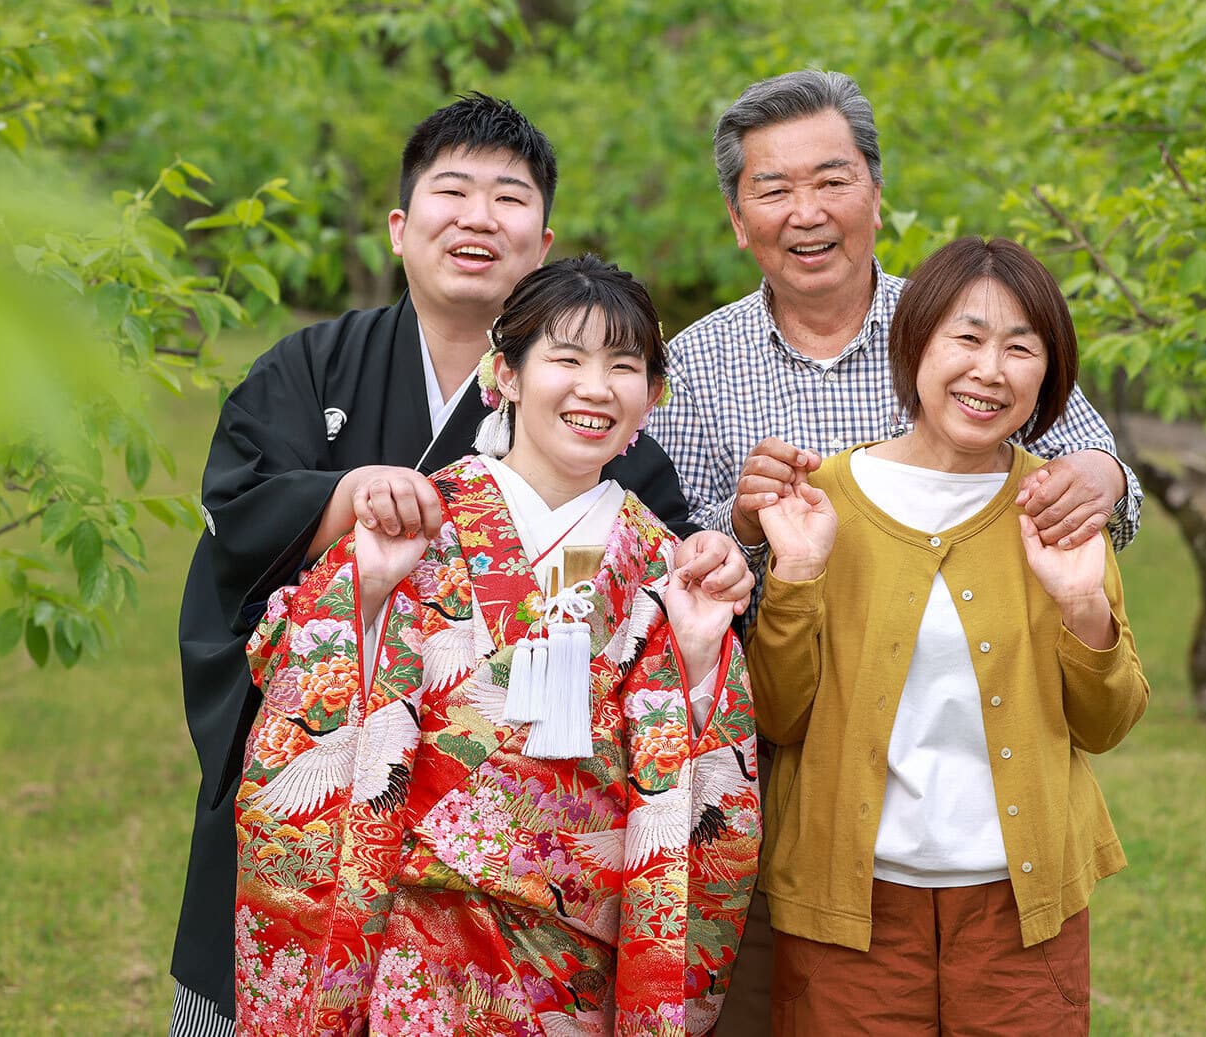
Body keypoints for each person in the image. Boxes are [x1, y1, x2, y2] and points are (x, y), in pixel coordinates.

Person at [171, 95, 752, 1036]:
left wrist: (702, 632)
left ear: (544, 236)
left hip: (573, 934)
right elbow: (241, 540)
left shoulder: (629, 484)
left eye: (509, 198)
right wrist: (354, 535)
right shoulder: (308, 367)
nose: (480, 217)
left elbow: (689, 688)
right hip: (390, 901)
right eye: (454, 190)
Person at [644, 69, 1144, 1034]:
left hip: (1000, 840)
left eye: (832, 179)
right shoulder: (698, 363)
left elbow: (1079, 459)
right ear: (737, 218)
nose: (807, 212)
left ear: (876, 191)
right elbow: (676, 556)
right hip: (786, 785)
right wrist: (753, 535)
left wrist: (1108, 478)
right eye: (773, 189)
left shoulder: (964, 317)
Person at [743, 235, 1149, 1033]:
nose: (989, 370)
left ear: (1049, 373)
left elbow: (1108, 724)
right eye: (966, 336)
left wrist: (1083, 608)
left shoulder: (1059, 505)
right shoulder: (823, 498)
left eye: (1019, 347)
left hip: (1020, 916)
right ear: (916, 341)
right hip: (849, 914)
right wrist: (793, 574)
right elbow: (778, 715)